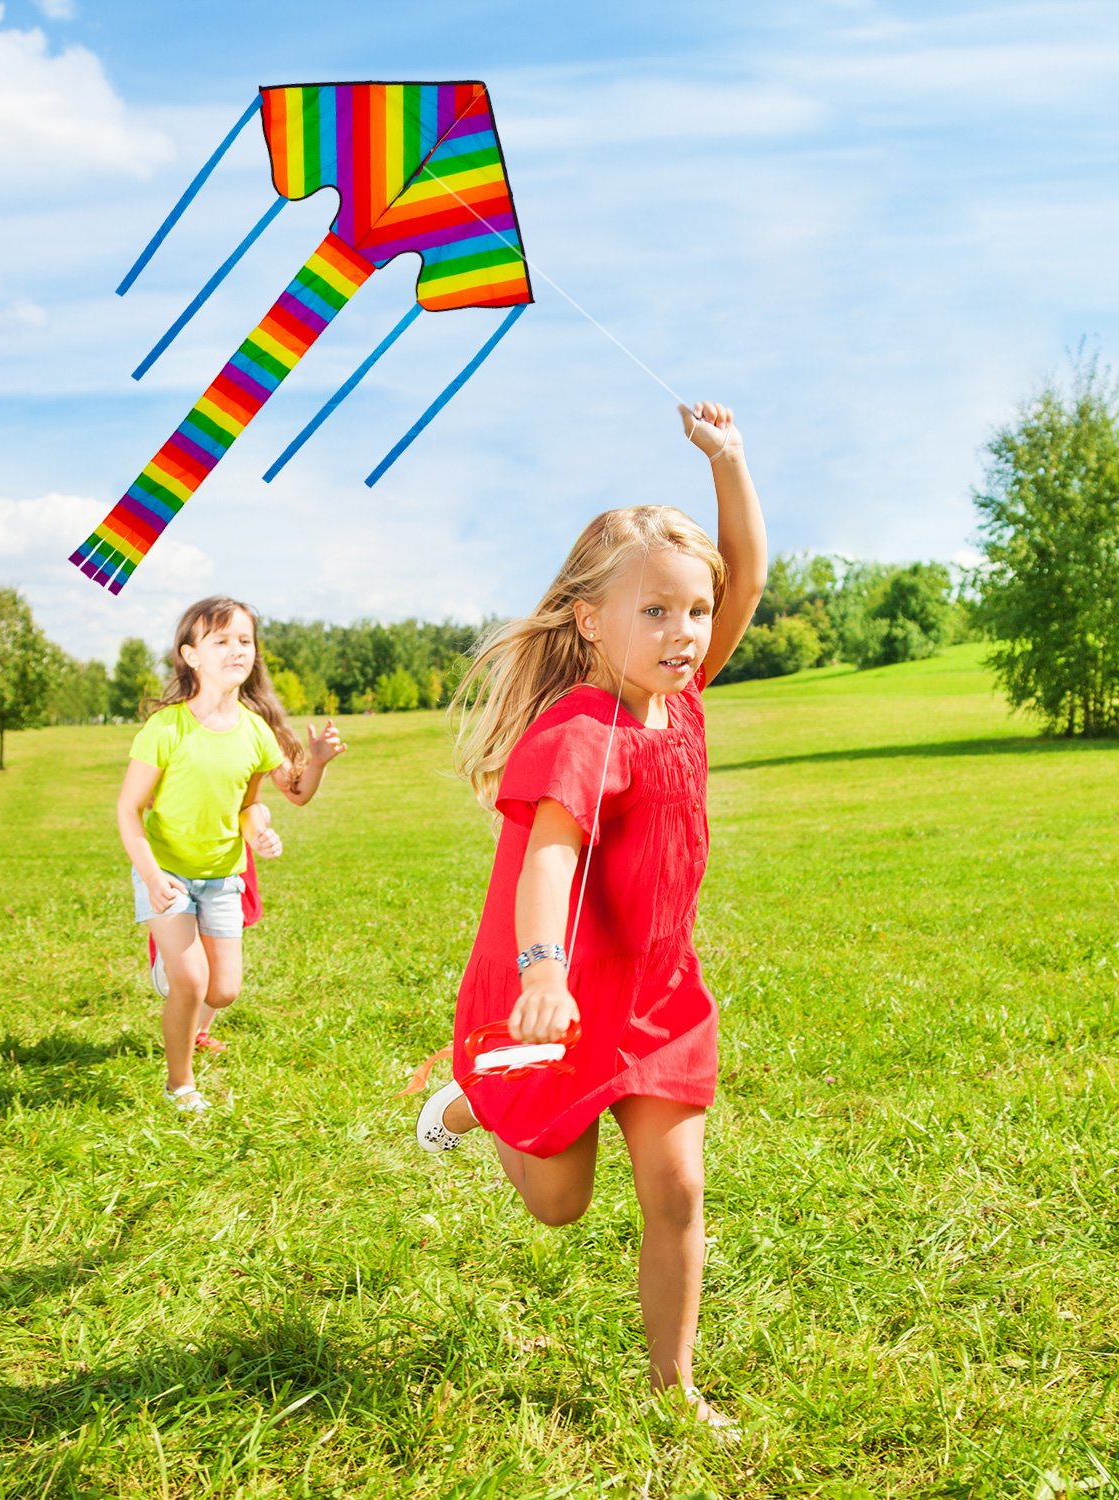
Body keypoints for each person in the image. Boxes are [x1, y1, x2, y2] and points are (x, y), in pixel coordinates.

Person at [414, 403, 766, 1433]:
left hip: (657, 1000)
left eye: (693, 612)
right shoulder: (581, 731)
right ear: (590, 622)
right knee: (560, 1204)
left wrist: (730, 464)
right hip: (554, 1001)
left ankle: (675, 1389)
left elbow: (741, 573)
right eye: (654, 612)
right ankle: (481, 1096)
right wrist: (539, 969)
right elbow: (551, 851)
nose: (685, 632)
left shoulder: (684, 692)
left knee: (677, 1193)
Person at [116, 596, 345, 1113]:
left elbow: (267, 800)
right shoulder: (166, 728)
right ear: (191, 656)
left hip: (222, 877)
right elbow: (128, 811)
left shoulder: (254, 730)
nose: (236, 649)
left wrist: (316, 765)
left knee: (222, 992)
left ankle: (171, 971)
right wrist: (151, 876)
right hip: (168, 873)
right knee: (193, 983)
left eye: (244, 640)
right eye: (220, 640)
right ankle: (181, 1085)